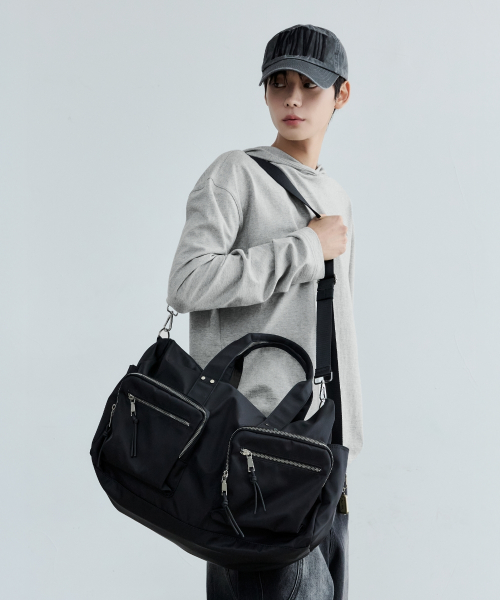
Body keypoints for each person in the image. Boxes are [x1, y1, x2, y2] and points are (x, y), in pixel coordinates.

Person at [167, 23, 363, 600]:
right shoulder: (236, 173)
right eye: (280, 83)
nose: (293, 99)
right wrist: (304, 247)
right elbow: (187, 282)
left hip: (322, 447)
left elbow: (335, 328)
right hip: (252, 443)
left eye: (310, 85)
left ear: (341, 94)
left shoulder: (337, 196)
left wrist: (347, 437)